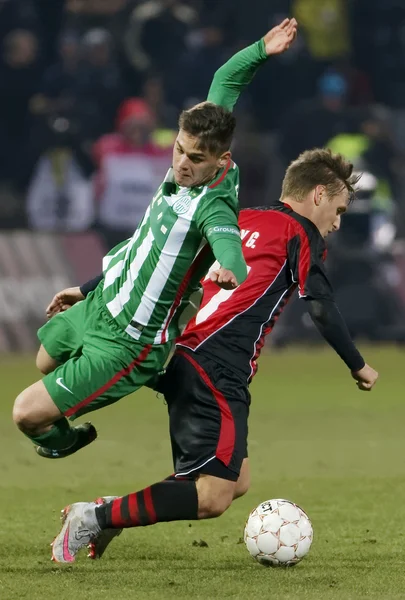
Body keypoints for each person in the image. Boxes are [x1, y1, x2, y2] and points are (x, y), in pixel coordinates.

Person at [49, 148, 379, 563]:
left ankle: (113, 513)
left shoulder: (235, 219)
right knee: (213, 495)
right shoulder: (301, 234)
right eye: (339, 208)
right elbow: (321, 307)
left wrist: (87, 287)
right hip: (216, 365)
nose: (337, 221)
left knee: (235, 479)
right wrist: (358, 365)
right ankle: (95, 516)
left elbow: (150, 254)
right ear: (317, 195)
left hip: (178, 350)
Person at [12, 20, 298, 461]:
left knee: (26, 414)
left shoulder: (214, 206)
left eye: (194, 158)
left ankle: (70, 439)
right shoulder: (205, 136)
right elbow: (225, 80)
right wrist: (263, 46)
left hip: (128, 342)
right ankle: (129, 377)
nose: (182, 164)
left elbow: (233, 257)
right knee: (44, 360)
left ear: (221, 159)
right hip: (102, 303)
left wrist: (226, 270)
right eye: (179, 149)